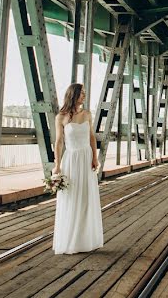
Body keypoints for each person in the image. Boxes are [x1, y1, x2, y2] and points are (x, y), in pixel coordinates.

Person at [52, 82, 104, 254]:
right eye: (82, 93)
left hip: (86, 157)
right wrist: (57, 165)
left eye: (85, 92)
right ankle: (71, 240)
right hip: (71, 160)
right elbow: (59, 143)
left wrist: (95, 158)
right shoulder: (61, 117)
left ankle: (85, 240)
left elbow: (92, 138)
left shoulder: (88, 114)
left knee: (86, 197)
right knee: (72, 197)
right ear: (73, 95)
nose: (84, 95)